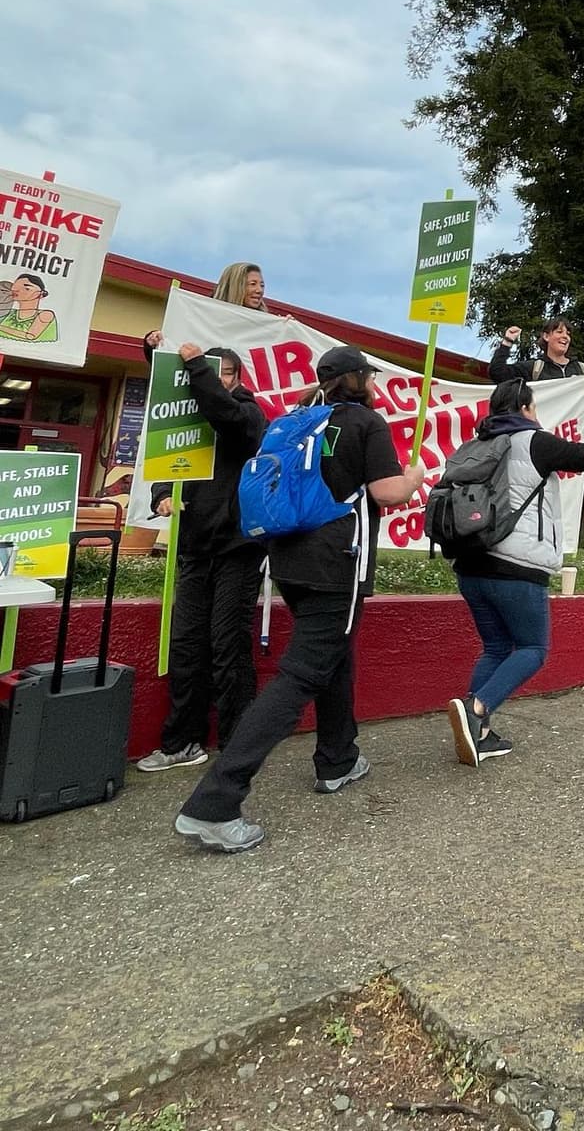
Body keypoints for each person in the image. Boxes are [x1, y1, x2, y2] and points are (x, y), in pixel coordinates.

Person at [174, 345, 425, 852]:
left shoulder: (295, 420)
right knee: (302, 675)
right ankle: (215, 803)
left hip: (287, 561)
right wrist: (416, 476)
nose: (373, 382)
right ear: (357, 379)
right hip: (338, 564)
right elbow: (387, 493)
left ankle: (337, 759)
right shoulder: (364, 424)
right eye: (369, 375)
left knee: (335, 657)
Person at [447, 377, 584, 766]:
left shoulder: (476, 445)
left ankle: (480, 734)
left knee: (496, 648)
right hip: (516, 568)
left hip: (471, 566)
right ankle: (477, 710)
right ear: (526, 408)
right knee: (533, 649)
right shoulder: (534, 441)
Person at [137, 345, 268, 771]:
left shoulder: (249, 413)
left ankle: (236, 745)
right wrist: (160, 496)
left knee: (229, 646)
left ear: (239, 377)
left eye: (226, 373)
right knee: (187, 646)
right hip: (194, 549)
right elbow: (165, 465)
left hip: (238, 549)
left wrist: (196, 369)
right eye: (216, 373)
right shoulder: (185, 417)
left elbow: (227, 417)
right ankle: (181, 742)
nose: (220, 380)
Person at [142, 262, 268, 356]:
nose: (259, 290)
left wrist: (285, 330)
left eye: (262, 285)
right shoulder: (202, 318)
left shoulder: (266, 327)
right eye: (252, 284)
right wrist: (155, 344)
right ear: (235, 286)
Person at [488, 318, 584, 392]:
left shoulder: (582, 369)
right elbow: (497, 373)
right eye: (559, 332)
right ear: (546, 336)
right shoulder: (534, 368)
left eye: (568, 333)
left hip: (572, 428)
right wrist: (507, 341)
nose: (565, 336)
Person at [0, 274, 58, 342]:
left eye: (27, 289)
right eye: (15, 287)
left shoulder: (46, 314)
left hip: (34, 351)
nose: (17, 291)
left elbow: (30, 336)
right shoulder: (9, 313)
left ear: (41, 294)